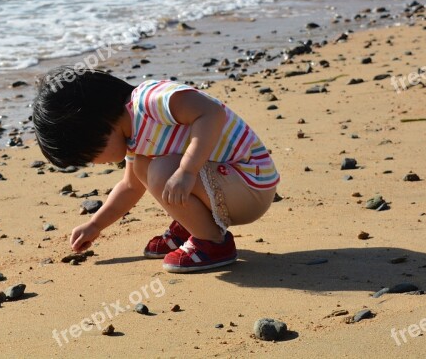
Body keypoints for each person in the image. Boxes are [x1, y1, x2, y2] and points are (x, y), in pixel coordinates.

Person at [32, 67, 280, 273]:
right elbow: (130, 187)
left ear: (95, 126)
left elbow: (210, 111)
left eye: (88, 156)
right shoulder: (134, 139)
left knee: (162, 170)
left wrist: (187, 170)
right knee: (144, 166)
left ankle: (213, 243)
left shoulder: (149, 101)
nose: (94, 163)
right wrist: (95, 225)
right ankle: (194, 224)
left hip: (250, 183)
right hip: (231, 187)